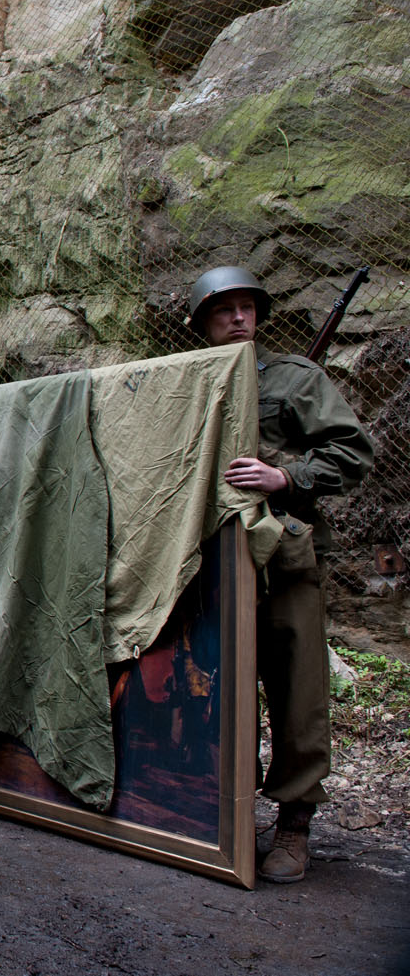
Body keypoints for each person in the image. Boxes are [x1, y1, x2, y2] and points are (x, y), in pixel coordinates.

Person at [188, 266, 374, 883]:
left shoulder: (297, 378)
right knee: (206, 685)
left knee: (297, 689)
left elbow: (351, 452)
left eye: (248, 307)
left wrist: (287, 477)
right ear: (203, 324)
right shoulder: (184, 385)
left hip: (284, 559)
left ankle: (294, 823)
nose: (239, 318)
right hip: (206, 561)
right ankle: (213, 812)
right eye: (224, 310)